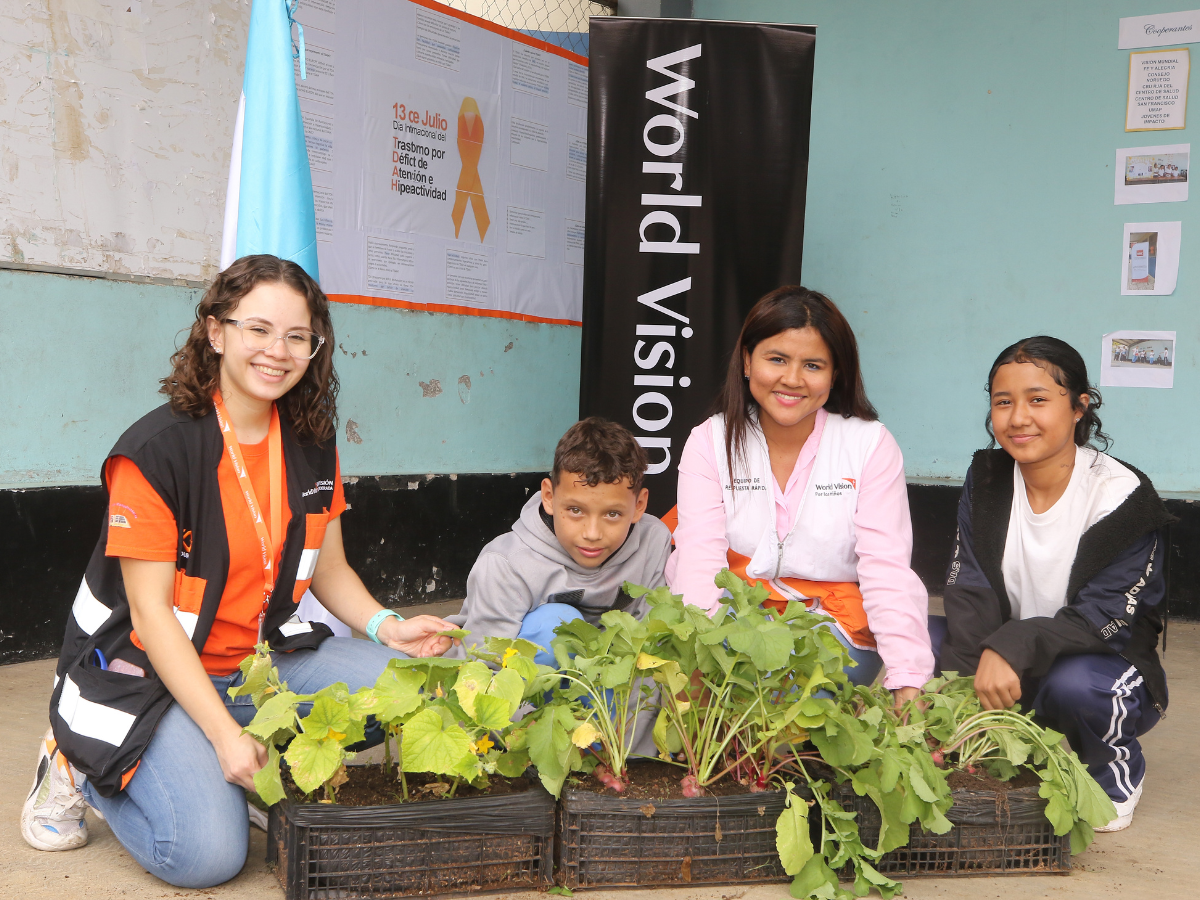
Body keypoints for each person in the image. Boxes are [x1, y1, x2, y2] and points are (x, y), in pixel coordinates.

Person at [21, 255, 458, 887]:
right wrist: (224, 735)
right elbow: (152, 618)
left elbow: (329, 570)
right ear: (216, 332)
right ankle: (83, 766)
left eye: (297, 336)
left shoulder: (310, 437)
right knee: (206, 857)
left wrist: (390, 626)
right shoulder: (154, 453)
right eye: (258, 329)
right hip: (154, 674)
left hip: (261, 661)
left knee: (413, 685)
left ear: (315, 347)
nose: (277, 351)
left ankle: (236, 760)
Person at [934, 336, 1171, 833]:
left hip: (1098, 666)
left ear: (1080, 407)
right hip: (1011, 665)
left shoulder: (1123, 497)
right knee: (924, 638)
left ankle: (1113, 773)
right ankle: (978, 746)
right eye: (1003, 402)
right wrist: (953, 704)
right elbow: (969, 585)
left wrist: (1010, 644)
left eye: (1038, 399)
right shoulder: (988, 478)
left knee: (1078, 686)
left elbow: (1104, 617)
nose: (1018, 418)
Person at [667, 286, 934, 706]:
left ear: (836, 374)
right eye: (777, 359)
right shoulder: (710, 440)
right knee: (733, 708)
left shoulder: (869, 444)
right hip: (732, 617)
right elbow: (699, 561)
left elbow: (886, 567)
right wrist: (700, 659)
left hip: (836, 620)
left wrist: (907, 675)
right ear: (747, 361)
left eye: (813, 365)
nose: (792, 379)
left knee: (797, 710)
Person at [447, 417, 673, 665]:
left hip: (608, 688)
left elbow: (652, 649)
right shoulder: (505, 564)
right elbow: (484, 668)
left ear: (639, 506)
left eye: (612, 514)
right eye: (576, 510)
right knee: (554, 624)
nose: (592, 533)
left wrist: (640, 706)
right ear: (548, 496)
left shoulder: (653, 541)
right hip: (525, 687)